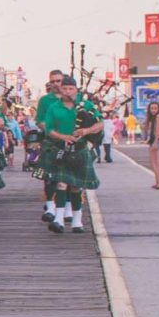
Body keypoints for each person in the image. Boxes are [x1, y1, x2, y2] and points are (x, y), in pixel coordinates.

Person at [34, 78, 103, 233]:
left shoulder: (86, 106)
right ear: (61, 90)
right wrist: (63, 137)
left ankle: (77, 221)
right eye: (65, 89)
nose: (67, 92)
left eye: (71, 88)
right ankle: (58, 219)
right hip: (60, 148)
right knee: (61, 184)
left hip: (80, 148)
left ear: (76, 90)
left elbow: (100, 124)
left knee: (76, 187)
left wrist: (85, 131)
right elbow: (48, 129)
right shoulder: (53, 107)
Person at [35, 70, 65, 219]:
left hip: (69, 143)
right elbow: (39, 121)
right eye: (52, 81)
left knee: (68, 178)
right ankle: (50, 207)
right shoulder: (45, 100)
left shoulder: (74, 98)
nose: (55, 84)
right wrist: (53, 130)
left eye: (58, 81)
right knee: (49, 177)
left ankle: (68, 209)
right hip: (51, 142)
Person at [145, 96, 159, 189]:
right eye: (151, 108)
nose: (153, 110)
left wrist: (155, 142)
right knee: (153, 162)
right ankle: (157, 181)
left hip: (155, 140)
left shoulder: (158, 117)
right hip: (152, 139)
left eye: (155, 108)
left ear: (158, 109)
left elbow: (158, 131)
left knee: (155, 163)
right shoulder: (152, 118)